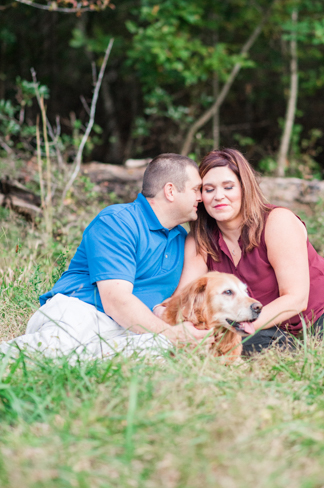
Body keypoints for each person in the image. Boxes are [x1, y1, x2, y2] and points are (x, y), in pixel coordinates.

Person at [163, 148, 324, 352]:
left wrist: (243, 326)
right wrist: (163, 317)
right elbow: (184, 298)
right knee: (236, 346)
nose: (218, 196)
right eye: (209, 189)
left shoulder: (277, 222)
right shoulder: (200, 239)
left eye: (228, 187)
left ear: (244, 188)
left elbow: (296, 299)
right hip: (266, 326)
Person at [1, 154, 208, 359]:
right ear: (170, 191)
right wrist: (172, 335)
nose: (201, 197)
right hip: (84, 313)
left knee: (164, 353)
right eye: (196, 189)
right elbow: (116, 301)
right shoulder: (119, 221)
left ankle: (85, 362)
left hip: (135, 329)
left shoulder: (183, 241)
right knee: (52, 351)